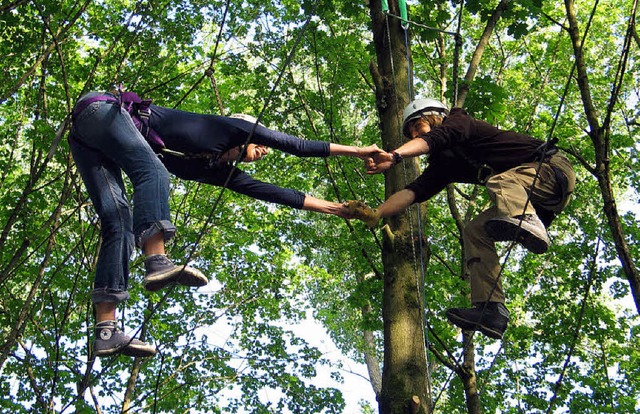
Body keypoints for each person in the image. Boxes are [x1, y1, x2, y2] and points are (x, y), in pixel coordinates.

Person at [69, 89, 383, 358]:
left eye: (265, 148)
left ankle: (106, 329)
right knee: (153, 173)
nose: (265, 148)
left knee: (118, 223)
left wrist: (337, 209)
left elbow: (272, 193)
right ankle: (157, 261)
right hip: (102, 110)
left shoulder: (211, 167)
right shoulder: (228, 129)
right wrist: (359, 152)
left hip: (88, 140)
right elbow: (297, 146)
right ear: (247, 131)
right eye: (261, 141)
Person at [349, 98, 575, 339]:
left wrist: (394, 157)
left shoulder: (460, 122)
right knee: (474, 231)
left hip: (550, 170)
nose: (414, 133)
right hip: (531, 195)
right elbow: (414, 191)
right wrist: (376, 213)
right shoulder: (445, 163)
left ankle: (525, 220)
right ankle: (492, 309)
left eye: (416, 125)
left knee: (499, 181)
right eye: (410, 132)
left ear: (434, 115)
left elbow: (433, 139)